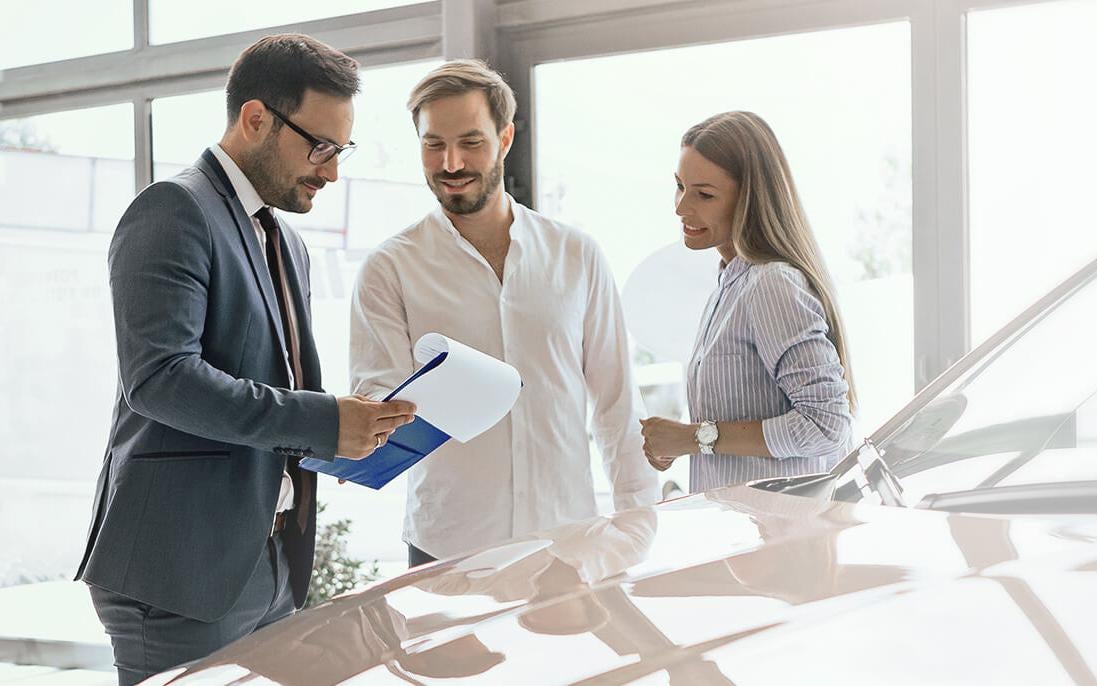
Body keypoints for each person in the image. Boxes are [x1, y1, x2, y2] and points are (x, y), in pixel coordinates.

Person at [75, 34, 416, 685]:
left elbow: (267, 389)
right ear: (256, 118)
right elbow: (161, 379)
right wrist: (319, 421)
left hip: (271, 561)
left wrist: (344, 434)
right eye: (320, 147)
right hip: (181, 571)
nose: (332, 171)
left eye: (341, 151)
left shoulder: (286, 240)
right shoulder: (172, 210)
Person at [349, 59, 659, 567]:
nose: (450, 163)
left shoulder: (576, 255)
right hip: (446, 551)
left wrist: (634, 530)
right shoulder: (390, 268)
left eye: (471, 142)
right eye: (433, 144)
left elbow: (617, 402)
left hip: (569, 545)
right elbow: (376, 403)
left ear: (506, 137)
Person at [640, 111, 855, 492]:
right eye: (680, 186)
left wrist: (695, 438)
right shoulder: (729, 284)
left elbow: (826, 424)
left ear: (749, 200)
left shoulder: (772, 285)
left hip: (778, 539)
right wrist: (682, 442)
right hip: (742, 534)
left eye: (704, 194)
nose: (681, 208)